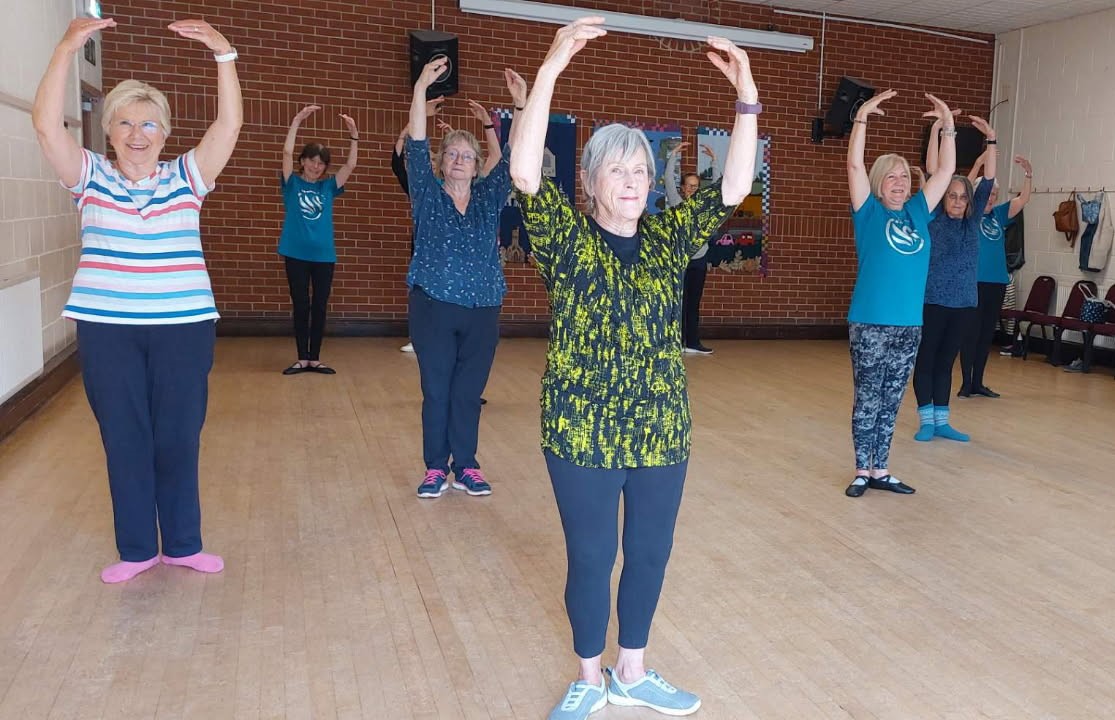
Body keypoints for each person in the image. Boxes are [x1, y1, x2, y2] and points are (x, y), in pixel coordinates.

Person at [509, 17, 758, 719]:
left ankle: (632, 670)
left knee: (648, 554)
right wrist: (552, 65)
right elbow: (526, 171)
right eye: (616, 168)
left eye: (641, 169)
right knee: (591, 559)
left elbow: (735, 184)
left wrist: (746, 99)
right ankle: (589, 677)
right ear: (588, 183)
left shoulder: (666, 239)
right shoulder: (563, 239)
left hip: (659, 427)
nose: (632, 180)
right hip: (581, 429)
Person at [32, 16, 242, 582]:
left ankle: (182, 543)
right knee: (125, 438)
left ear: (166, 132)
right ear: (108, 131)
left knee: (177, 437)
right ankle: (136, 551)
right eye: (124, 122)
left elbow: (227, 126)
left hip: (183, 327)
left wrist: (224, 54)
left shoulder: (188, 178)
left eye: (149, 122)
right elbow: (47, 126)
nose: (137, 133)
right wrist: (65, 47)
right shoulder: (89, 177)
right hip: (108, 330)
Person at [406, 63, 525, 499]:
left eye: (467, 156)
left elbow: (513, 156)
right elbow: (416, 142)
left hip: (483, 308)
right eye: (452, 154)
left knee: (469, 393)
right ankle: (436, 467)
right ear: (442, 163)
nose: (459, 160)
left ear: (478, 166)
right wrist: (420, 86)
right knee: (436, 389)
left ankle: (467, 464)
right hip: (433, 306)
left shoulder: (490, 197)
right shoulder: (427, 192)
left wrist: (519, 106)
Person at [843, 89, 955, 498]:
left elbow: (945, 172)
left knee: (891, 399)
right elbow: (854, 163)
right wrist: (862, 118)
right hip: (871, 321)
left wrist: (947, 127)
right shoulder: (868, 210)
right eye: (891, 176)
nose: (900, 182)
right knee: (868, 396)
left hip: (909, 324)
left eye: (905, 176)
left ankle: (881, 468)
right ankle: (861, 469)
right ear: (878, 182)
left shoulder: (917, 212)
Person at [910, 116, 996, 441]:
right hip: (932, 301)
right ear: (943, 198)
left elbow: (988, 180)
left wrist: (992, 141)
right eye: (952, 196)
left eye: (962, 197)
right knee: (927, 358)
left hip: (963, 304)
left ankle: (942, 420)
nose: (958, 201)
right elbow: (935, 171)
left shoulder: (972, 226)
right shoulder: (932, 219)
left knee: (947, 361)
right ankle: (925, 421)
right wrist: (937, 130)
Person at [278, 105, 358, 375]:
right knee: (301, 304)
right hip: (295, 253)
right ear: (303, 161)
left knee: (320, 306)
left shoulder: (327, 187)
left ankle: (315, 358)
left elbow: (350, 165)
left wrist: (354, 137)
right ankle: (302, 357)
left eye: (321, 162)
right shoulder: (292, 184)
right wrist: (297, 120)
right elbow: (286, 152)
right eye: (312, 160)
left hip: (324, 256)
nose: (316, 165)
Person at [957, 152, 1033, 397]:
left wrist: (1028, 174)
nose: (991, 198)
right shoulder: (968, 215)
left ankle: (978, 382)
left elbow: (1022, 200)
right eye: (987, 194)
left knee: (986, 335)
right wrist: (978, 164)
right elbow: (963, 190)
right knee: (971, 333)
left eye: (994, 195)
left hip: (996, 283)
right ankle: (965, 383)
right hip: (973, 283)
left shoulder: (998, 215)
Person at [663, 143, 714, 354]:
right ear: (682, 187)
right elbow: (667, 181)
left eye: (696, 186)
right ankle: (674, 343)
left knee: (693, 302)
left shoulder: (703, 206)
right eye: (689, 185)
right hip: (679, 260)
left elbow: (718, 189)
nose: (692, 189)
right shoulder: (676, 203)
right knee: (677, 303)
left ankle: (692, 343)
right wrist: (673, 155)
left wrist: (714, 162)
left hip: (699, 259)